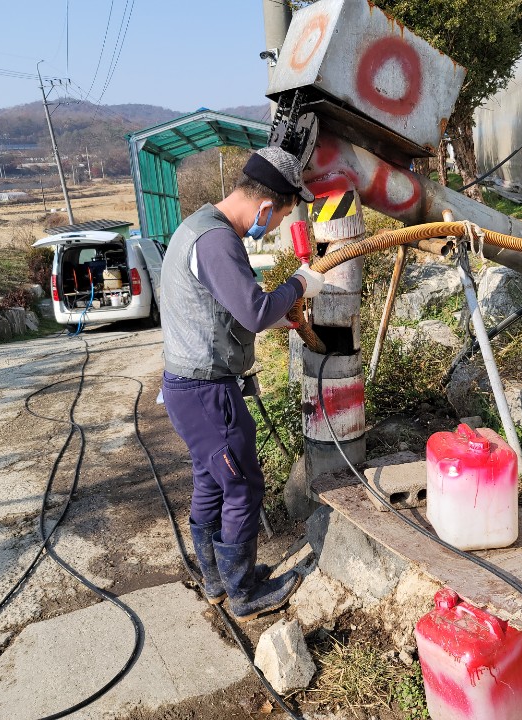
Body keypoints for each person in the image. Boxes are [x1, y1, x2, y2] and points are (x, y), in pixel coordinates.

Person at [159, 146, 325, 621]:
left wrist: (273, 317)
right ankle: (244, 592)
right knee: (243, 486)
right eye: (276, 222)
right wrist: (298, 285)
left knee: (210, 481)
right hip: (209, 393)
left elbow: (218, 308)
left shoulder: (196, 227)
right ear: (266, 208)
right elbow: (253, 309)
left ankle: (216, 580)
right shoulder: (217, 242)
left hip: (184, 387)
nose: (269, 230)